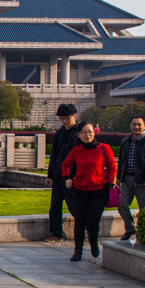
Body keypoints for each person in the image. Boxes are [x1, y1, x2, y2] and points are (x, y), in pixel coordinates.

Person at [61, 122, 116, 261]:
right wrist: (67, 178)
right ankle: (77, 250)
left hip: (99, 191)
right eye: (84, 132)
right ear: (78, 135)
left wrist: (109, 183)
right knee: (79, 221)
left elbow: (112, 167)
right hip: (80, 190)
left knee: (93, 220)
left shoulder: (104, 148)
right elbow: (65, 165)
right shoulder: (77, 150)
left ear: (95, 132)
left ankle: (93, 244)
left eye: (90, 132)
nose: (87, 135)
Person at [116, 115, 145, 240]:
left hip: (142, 180)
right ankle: (130, 229)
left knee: (144, 208)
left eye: (139, 124)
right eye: (134, 124)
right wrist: (119, 178)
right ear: (130, 126)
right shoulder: (125, 141)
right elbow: (122, 160)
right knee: (121, 204)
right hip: (127, 178)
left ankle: (143, 231)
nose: (136, 127)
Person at [45, 103, 80, 242]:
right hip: (58, 176)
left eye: (67, 118)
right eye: (62, 118)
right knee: (54, 207)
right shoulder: (60, 133)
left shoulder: (79, 133)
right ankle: (56, 233)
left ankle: (88, 229)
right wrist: (50, 175)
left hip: (72, 177)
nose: (65, 121)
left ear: (74, 116)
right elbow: (54, 154)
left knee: (74, 206)